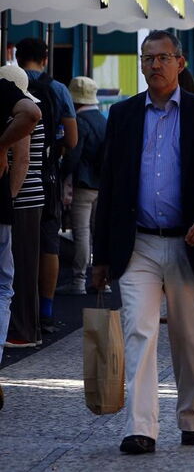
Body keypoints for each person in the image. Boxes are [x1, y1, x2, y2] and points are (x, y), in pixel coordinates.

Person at [91, 30, 194, 453]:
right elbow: (111, 188)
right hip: (137, 243)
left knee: (190, 337)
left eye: (162, 58)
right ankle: (141, 427)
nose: (154, 65)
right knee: (138, 331)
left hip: (189, 243)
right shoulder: (122, 115)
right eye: (147, 58)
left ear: (181, 62)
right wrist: (101, 257)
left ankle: (191, 419)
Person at [15, 38, 77, 335]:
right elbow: (73, 139)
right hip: (46, 176)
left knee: (17, 247)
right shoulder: (58, 90)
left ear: (16, 56)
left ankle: (20, 310)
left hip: (14, 179)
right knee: (48, 243)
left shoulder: (10, 85)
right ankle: (47, 311)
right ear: (45, 58)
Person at [1, 66, 43, 351]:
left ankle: (25, 329)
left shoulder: (13, 114)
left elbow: (24, 159)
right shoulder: (13, 105)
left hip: (21, 199)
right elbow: (24, 160)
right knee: (8, 281)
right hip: (14, 201)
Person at [55, 76, 107, 296]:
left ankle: (78, 280)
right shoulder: (104, 119)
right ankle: (103, 280)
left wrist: (61, 173)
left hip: (84, 185)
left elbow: (72, 157)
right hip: (103, 185)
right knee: (100, 233)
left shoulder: (81, 122)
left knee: (82, 233)